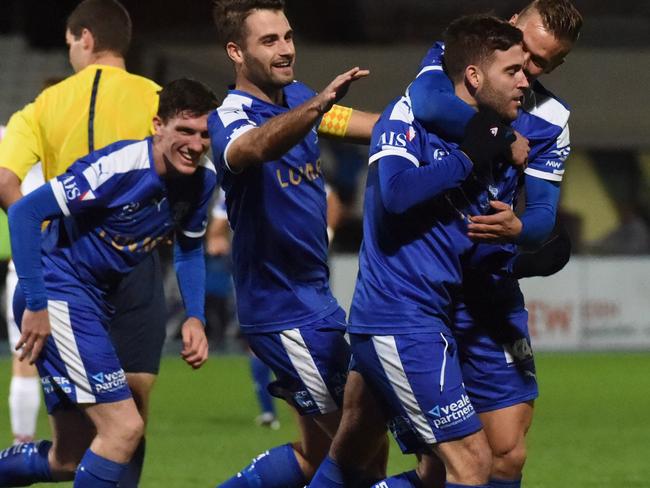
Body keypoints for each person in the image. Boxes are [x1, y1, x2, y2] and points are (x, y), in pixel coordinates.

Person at [310, 14, 530, 488]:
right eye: (512, 70)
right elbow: (397, 192)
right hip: (400, 319)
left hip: (421, 318)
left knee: (355, 455)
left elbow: (470, 244)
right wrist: (470, 157)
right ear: (474, 75)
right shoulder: (407, 116)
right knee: (471, 465)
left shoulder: (485, 141)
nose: (524, 81)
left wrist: (530, 246)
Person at [393, 2, 582, 486]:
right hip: (425, 287)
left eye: (546, 63)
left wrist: (521, 231)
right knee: (446, 464)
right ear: (513, 23)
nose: (532, 69)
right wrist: (499, 135)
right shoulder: (452, 61)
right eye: (528, 54)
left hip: (491, 294)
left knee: (509, 454)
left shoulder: (551, 117)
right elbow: (430, 105)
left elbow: (541, 214)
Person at [0, 78, 216, 488]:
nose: (195, 144)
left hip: (88, 303)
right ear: (157, 125)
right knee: (123, 430)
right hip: (58, 294)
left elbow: (189, 249)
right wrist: (38, 304)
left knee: (69, 459)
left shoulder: (201, 182)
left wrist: (195, 317)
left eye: (205, 134)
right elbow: (24, 213)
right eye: (184, 131)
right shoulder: (120, 167)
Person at [209, 1, 382, 486]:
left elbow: (363, 125)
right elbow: (255, 147)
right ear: (235, 52)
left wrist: (438, 121)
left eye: (287, 37)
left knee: (317, 453)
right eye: (269, 41)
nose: (285, 49)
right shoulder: (229, 116)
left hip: (312, 302)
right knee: (364, 454)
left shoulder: (300, 97)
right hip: (285, 313)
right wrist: (317, 105)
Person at [0, 1, 165, 484]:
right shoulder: (158, 98)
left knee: (75, 450)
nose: (70, 50)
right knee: (128, 423)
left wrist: (37, 224)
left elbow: (7, 180)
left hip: (66, 265)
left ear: (86, 38)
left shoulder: (44, 105)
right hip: (135, 269)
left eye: (70, 41)